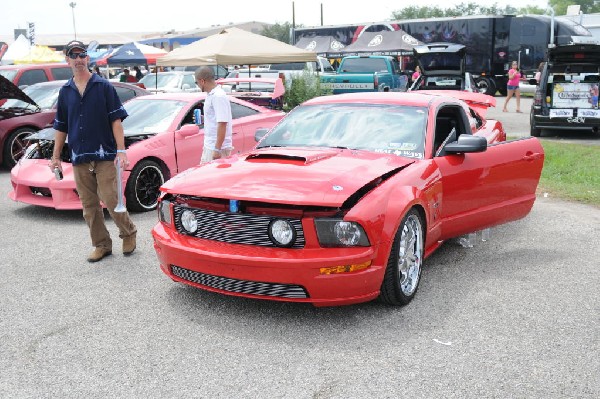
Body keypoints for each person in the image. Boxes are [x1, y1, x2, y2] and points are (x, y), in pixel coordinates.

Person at [49, 40, 137, 263]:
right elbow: (61, 126)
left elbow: (116, 120)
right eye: (73, 55)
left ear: (88, 58)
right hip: (79, 156)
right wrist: (56, 156)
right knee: (88, 206)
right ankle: (101, 244)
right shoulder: (65, 91)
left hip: (105, 154)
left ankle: (128, 233)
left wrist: (121, 150)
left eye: (82, 55)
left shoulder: (103, 86)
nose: (78, 59)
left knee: (109, 198)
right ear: (67, 60)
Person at [195, 66, 233, 164]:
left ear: (202, 81)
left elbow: (222, 123)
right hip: (210, 145)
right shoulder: (211, 95)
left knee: (213, 177)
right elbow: (217, 119)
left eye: (197, 83)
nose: (197, 85)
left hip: (217, 147)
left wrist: (217, 149)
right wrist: (204, 118)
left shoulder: (218, 96)